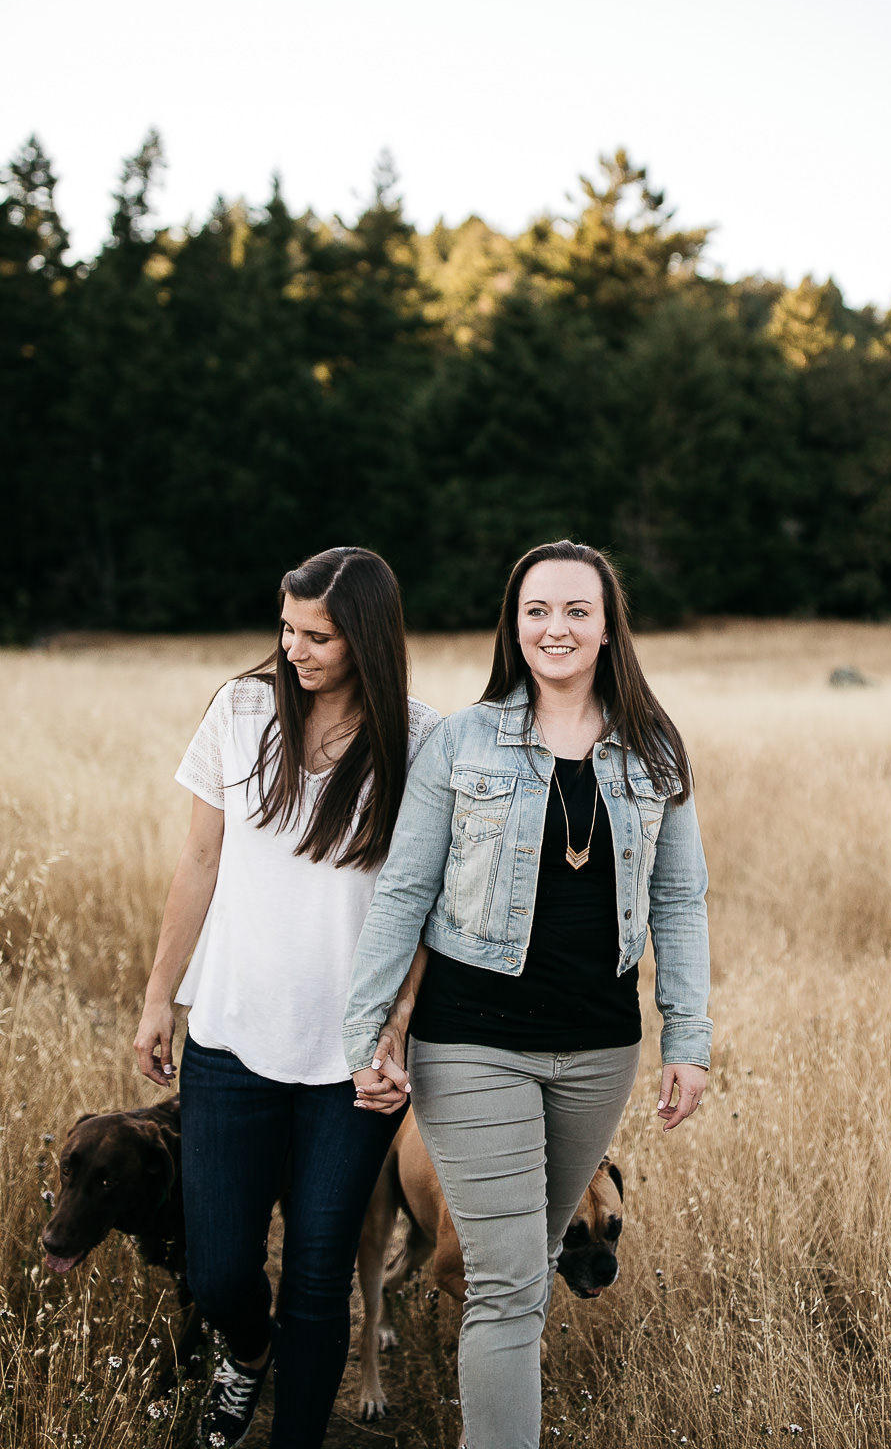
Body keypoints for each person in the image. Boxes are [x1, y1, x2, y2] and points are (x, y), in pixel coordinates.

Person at [344, 538, 711, 1449]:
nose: (556, 627)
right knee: (508, 1286)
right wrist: (368, 1033)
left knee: (531, 1268)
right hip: (472, 1041)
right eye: (537, 610)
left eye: (576, 610)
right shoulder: (462, 743)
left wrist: (688, 1040)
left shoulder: (656, 751)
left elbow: (679, 898)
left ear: (607, 627)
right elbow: (404, 890)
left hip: (600, 1051)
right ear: (514, 625)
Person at [134, 546, 438, 1449]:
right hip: (230, 1037)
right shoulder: (239, 710)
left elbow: (424, 907)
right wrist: (160, 997)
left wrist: (397, 1032)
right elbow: (199, 860)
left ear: (369, 642)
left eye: (317, 636)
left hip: (350, 1063)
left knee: (316, 1273)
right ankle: (247, 1351)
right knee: (225, 1268)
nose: (292, 649)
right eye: (286, 627)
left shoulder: (418, 740)